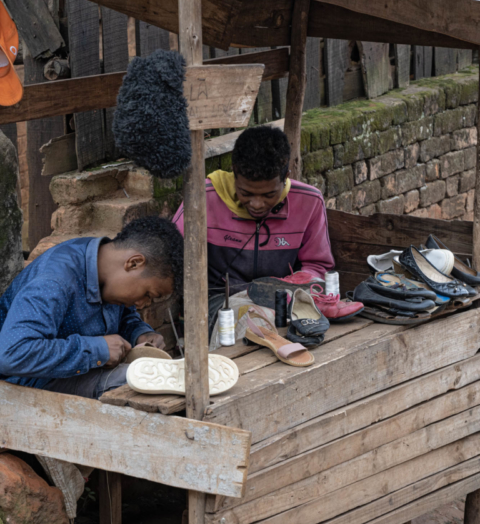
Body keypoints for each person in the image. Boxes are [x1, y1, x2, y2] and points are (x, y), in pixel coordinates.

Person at [0, 216, 183, 399]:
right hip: (26, 383)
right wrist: (98, 350)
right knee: (142, 382)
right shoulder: (54, 282)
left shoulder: (105, 267)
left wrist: (140, 333)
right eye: (148, 294)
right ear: (133, 263)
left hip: (76, 372)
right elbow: (12, 355)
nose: (143, 303)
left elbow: (125, 316)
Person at [173, 125, 335, 331]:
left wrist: (291, 289)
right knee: (256, 321)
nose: (257, 204)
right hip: (218, 302)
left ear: (286, 176)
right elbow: (172, 253)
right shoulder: (203, 197)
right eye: (246, 193)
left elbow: (317, 265)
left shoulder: (309, 201)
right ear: (234, 172)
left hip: (286, 300)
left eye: (269, 195)